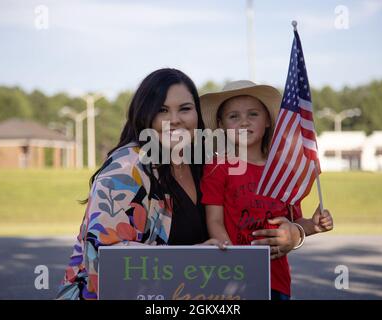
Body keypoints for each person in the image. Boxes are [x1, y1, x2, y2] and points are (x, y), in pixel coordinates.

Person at [56, 69, 307, 300]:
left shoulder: (205, 164)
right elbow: (103, 258)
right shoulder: (126, 168)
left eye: (185, 109)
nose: (174, 120)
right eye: (162, 110)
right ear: (144, 115)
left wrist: (294, 235)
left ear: (197, 114)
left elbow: (250, 219)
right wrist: (191, 259)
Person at [199, 80, 334, 300]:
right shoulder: (218, 167)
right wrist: (232, 260)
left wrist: (313, 225)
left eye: (253, 114)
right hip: (233, 276)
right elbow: (214, 220)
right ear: (221, 124)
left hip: (276, 278)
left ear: (269, 121)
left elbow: (293, 223)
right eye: (233, 116)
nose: (244, 122)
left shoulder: (283, 170)